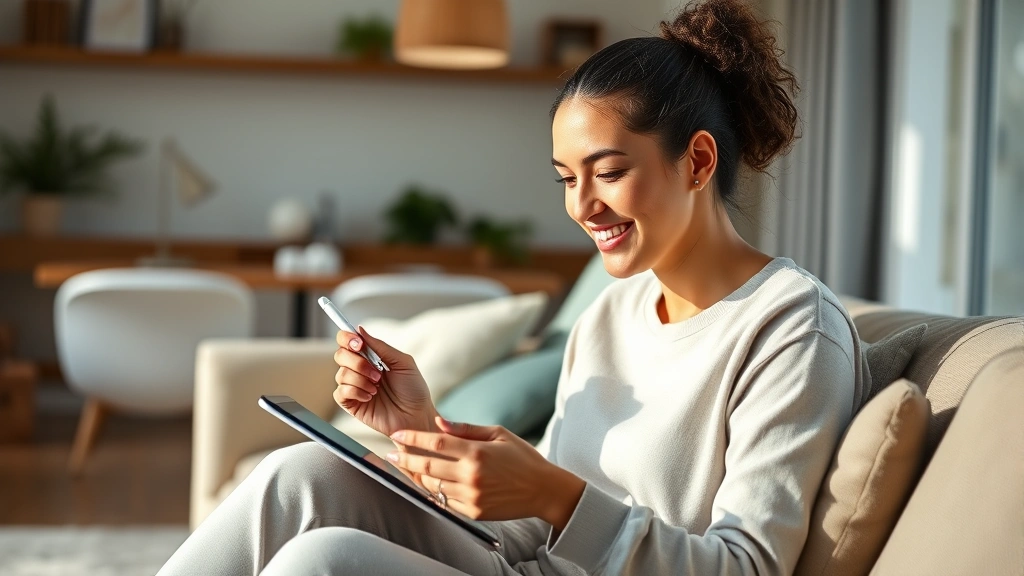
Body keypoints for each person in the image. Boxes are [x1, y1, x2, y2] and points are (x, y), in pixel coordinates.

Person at [159, 0, 866, 574]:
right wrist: (418, 431)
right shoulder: (612, 314)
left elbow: (745, 567)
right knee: (301, 473)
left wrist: (560, 498)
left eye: (609, 172)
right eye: (567, 179)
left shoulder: (793, 331)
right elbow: (533, 528)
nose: (581, 206)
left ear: (698, 161)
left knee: (326, 562)